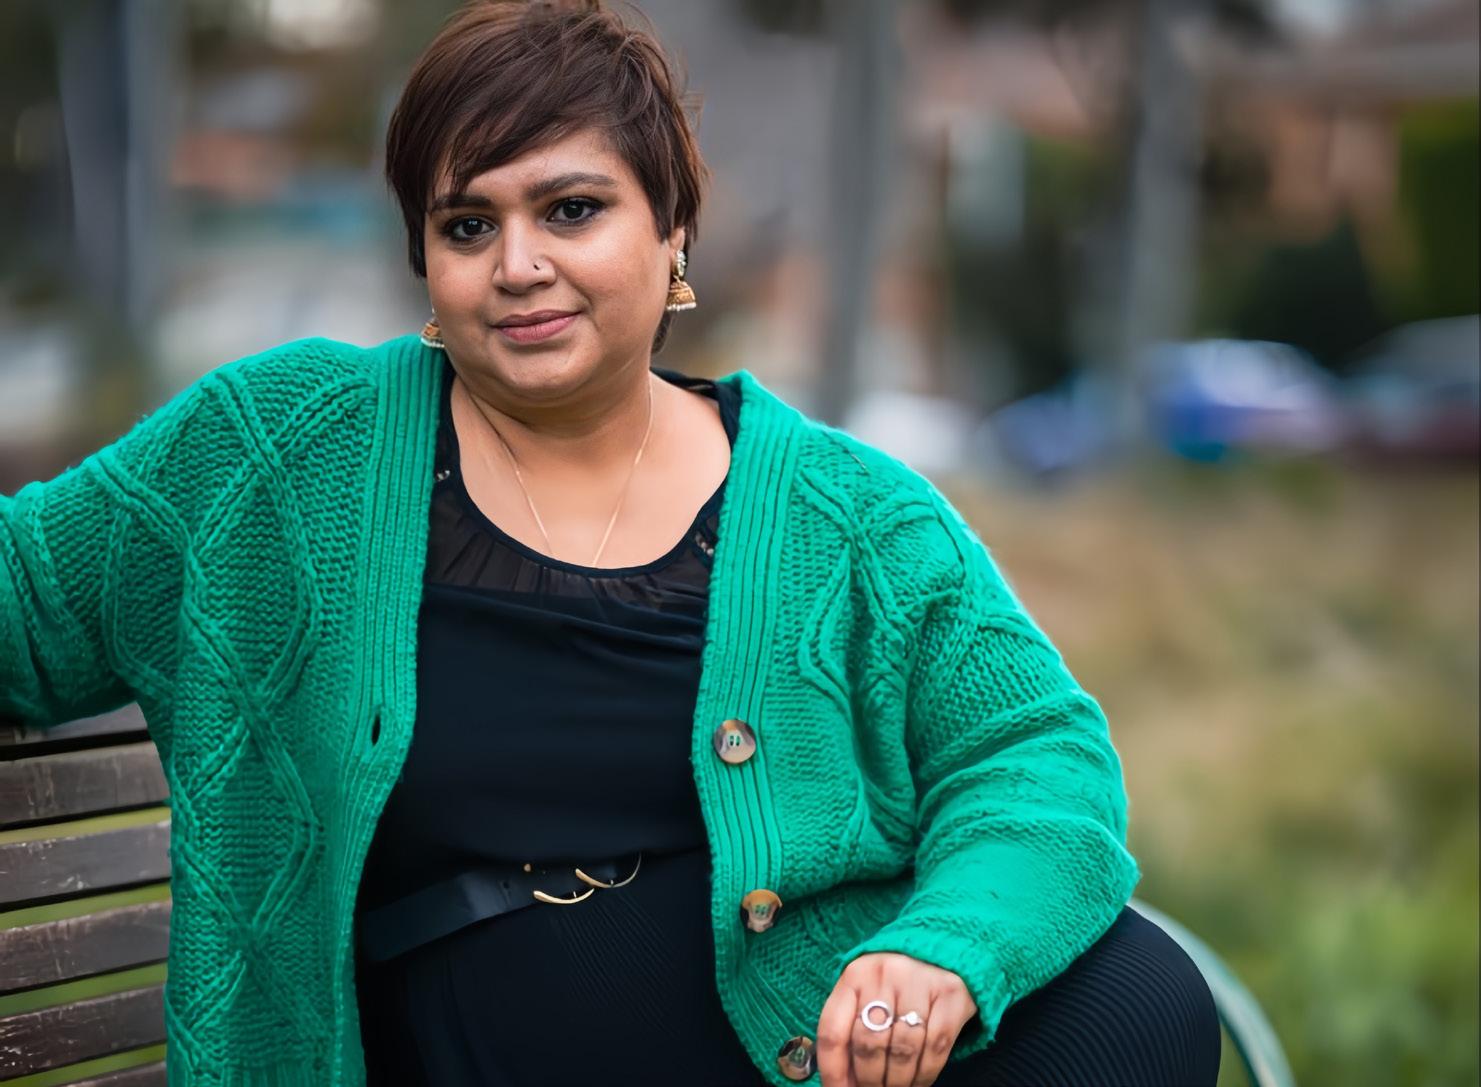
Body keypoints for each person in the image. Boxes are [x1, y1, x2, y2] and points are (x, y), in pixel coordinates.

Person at [0, 1, 1221, 1084]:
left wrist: (940, 948)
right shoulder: (281, 449)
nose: (518, 265)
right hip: (477, 1027)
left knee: (1140, 1000)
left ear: (673, 229)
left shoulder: (847, 512)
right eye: (466, 225)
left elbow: (1031, 755)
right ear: (424, 261)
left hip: (785, 1027)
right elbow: (29, 595)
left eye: (571, 209)